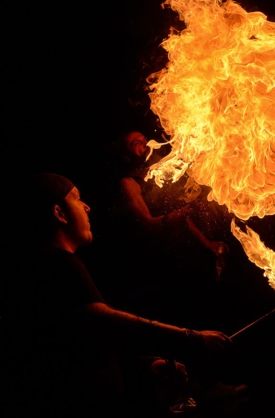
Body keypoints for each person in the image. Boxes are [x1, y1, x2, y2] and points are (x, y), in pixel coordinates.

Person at [1, 172, 242, 417]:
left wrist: (145, 365)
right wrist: (192, 340)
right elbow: (101, 324)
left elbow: (83, 344)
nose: (87, 207)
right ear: (59, 213)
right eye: (76, 199)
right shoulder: (53, 263)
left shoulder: (47, 265)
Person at [91, 129, 232, 328]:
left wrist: (207, 244)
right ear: (125, 155)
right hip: (164, 268)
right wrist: (184, 211)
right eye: (135, 144)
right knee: (188, 320)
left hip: (187, 259)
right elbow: (149, 224)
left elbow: (183, 219)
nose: (145, 144)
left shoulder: (159, 178)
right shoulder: (129, 184)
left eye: (144, 140)